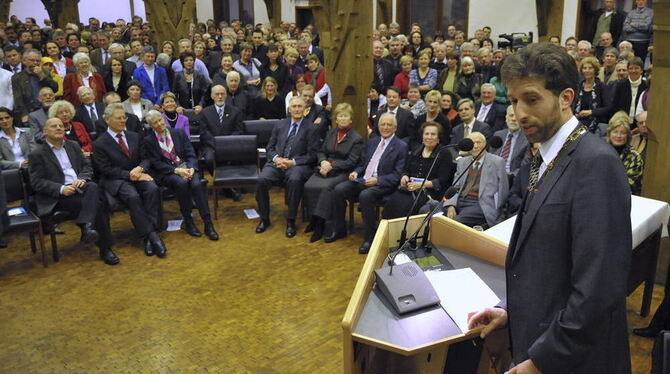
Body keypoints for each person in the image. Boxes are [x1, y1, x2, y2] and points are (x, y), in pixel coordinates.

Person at [467, 42, 632, 374]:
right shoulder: (540, 154)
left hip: (573, 360)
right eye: (513, 101)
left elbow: (597, 289)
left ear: (566, 98)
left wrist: (542, 362)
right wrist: (510, 312)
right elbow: (547, 262)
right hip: (537, 339)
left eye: (531, 99)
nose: (519, 113)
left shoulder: (596, 163)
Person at [29, 117, 119, 265]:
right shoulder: (37, 154)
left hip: (81, 188)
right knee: (99, 205)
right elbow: (37, 182)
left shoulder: (73, 145)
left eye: (61, 125)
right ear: (45, 131)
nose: (59, 128)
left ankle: (86, 225)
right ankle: (105, 249)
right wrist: (61, 189)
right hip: (59, 196)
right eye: (54, 126)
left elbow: (86, 167)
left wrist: (82, 178)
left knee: (92, 187)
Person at [93, 103, 169, 258]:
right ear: (107, 120)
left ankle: (148, 238)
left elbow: (146, 158)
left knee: (152, 188)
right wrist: (130, 175)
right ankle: (152, 236)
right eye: (118, 118)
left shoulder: (134, 136)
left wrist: (140, 169)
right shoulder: (99, 143)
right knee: (132, 196)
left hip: (138, 174)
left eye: (124, 117)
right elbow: (106, 169)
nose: (123, 121)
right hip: (116, 180)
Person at [329, 113, 407, 254]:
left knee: (365, 196)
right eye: (383, 124)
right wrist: (356, 172)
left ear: (395, 128)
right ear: (378, 126)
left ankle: (370, 238)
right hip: (364, 179)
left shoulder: (401, 146)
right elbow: (362, 163)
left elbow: (397, 175)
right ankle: (339, 228)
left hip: (383, 184)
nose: (385, 127)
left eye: (389, 125)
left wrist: (378, 180)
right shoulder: (372, 141)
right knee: (339, 189)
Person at [143, 110, 218, 240]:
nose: (160, 124)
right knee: (181, 183)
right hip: (167, 173)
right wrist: (176, 171)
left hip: (187, 168)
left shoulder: (178, 133)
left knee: (196, 184)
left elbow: (190, 153)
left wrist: (192, 168)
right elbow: (156, 163)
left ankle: (208, 223)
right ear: (151, 126)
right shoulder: (149, 141)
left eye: (160, 120)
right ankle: (188, 221)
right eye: (155, 122)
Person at [254, 96, 316, 238]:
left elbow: (312, 155)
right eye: (294, 106)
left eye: (300, 107)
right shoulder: (280, 124)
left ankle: (291, 220)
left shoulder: (311, 128)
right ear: (289, 109)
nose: (297, 109)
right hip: (277, 163)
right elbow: (269, 147)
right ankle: (264, 218)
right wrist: (277, 159)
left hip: (297, 165)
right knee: (261, 180)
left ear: (305, 110)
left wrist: (292, 162)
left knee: (295, 180)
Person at [303, 103, 364, 242]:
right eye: (340, 116)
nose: (342, 119)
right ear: (335, 119)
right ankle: (314, 218)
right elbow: (321, 151)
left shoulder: (357, 138)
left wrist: (331, 166)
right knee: (309, 185)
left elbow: (352, 161)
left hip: (342, 171)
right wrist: (323, 162)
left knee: (326, 188)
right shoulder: (331, 133)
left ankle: (320, 224)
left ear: (350, 119)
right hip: (325, 168)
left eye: (345, 116)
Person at [382, 121, 454, 220]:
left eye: (433, 134)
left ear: (438, 138)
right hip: (410, 188)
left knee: (405, 208)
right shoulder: (416, 150)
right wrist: (404, 176)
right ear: (422, 136)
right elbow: (406, 170)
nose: (429, 137)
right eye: (426, 134)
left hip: (429, 192)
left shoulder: (444, 153)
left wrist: (421, 185)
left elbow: (442, 180)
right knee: (391, 205)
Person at [444, 132, 507, 227]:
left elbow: (503, 190)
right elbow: (455, 186)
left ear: (485, 144)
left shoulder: (497, 162)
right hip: (460, 200)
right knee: (432, 214)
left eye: (479, 142)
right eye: (472, 143)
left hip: (480, 203)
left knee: (454, 222)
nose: (476, 146)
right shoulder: (462, 162)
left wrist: (499, 213)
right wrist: (451, 205)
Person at [199, 85, 244, 174]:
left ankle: (231, 182)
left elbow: (239, 131)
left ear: (226, 95)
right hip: (211, 146)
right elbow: (204, 132)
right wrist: (216, 144)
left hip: (231, 145)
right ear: (212, 96)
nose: (220, 96)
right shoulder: (205, 112)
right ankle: (220, 180)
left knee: (237, 158)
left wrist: (226, 143)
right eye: (217, 94)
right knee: (210, 159)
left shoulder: (235, 111)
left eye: (222, 94)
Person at [12, 49, 59, 122]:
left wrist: (42, 76)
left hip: (47, 109)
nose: (35, 63)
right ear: (24, 61)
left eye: (37, 61)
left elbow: (55, 88)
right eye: (32, 60)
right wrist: (23, 114)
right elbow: (18, 99)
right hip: (30, 111)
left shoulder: (45, 72)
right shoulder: (17, 77)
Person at [606, 113, 644, 195]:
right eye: (615, 132)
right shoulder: (601, 151)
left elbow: (629, 186)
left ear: (627, 135)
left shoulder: (634, 156)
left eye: (623, 133)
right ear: (609, 133)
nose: (618, 136)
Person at [490, 105, 529, 178]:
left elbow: (525, 167)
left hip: (512, 178)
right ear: (506, 118)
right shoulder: (498, 135)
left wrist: (507, 177)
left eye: (517, 116)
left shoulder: (527, 139)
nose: (514, 119)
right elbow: (490, 158)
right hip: (493, 176)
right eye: (511, 115)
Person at [573, 56, 607, 133]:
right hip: (577, 125)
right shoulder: (578, 86)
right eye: (585, 68)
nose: (587, 70)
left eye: (590, 68)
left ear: (595, 70)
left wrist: (591, 112)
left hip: (595, 126)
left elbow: (607, 108)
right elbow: (573, 106)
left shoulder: (602, 86)